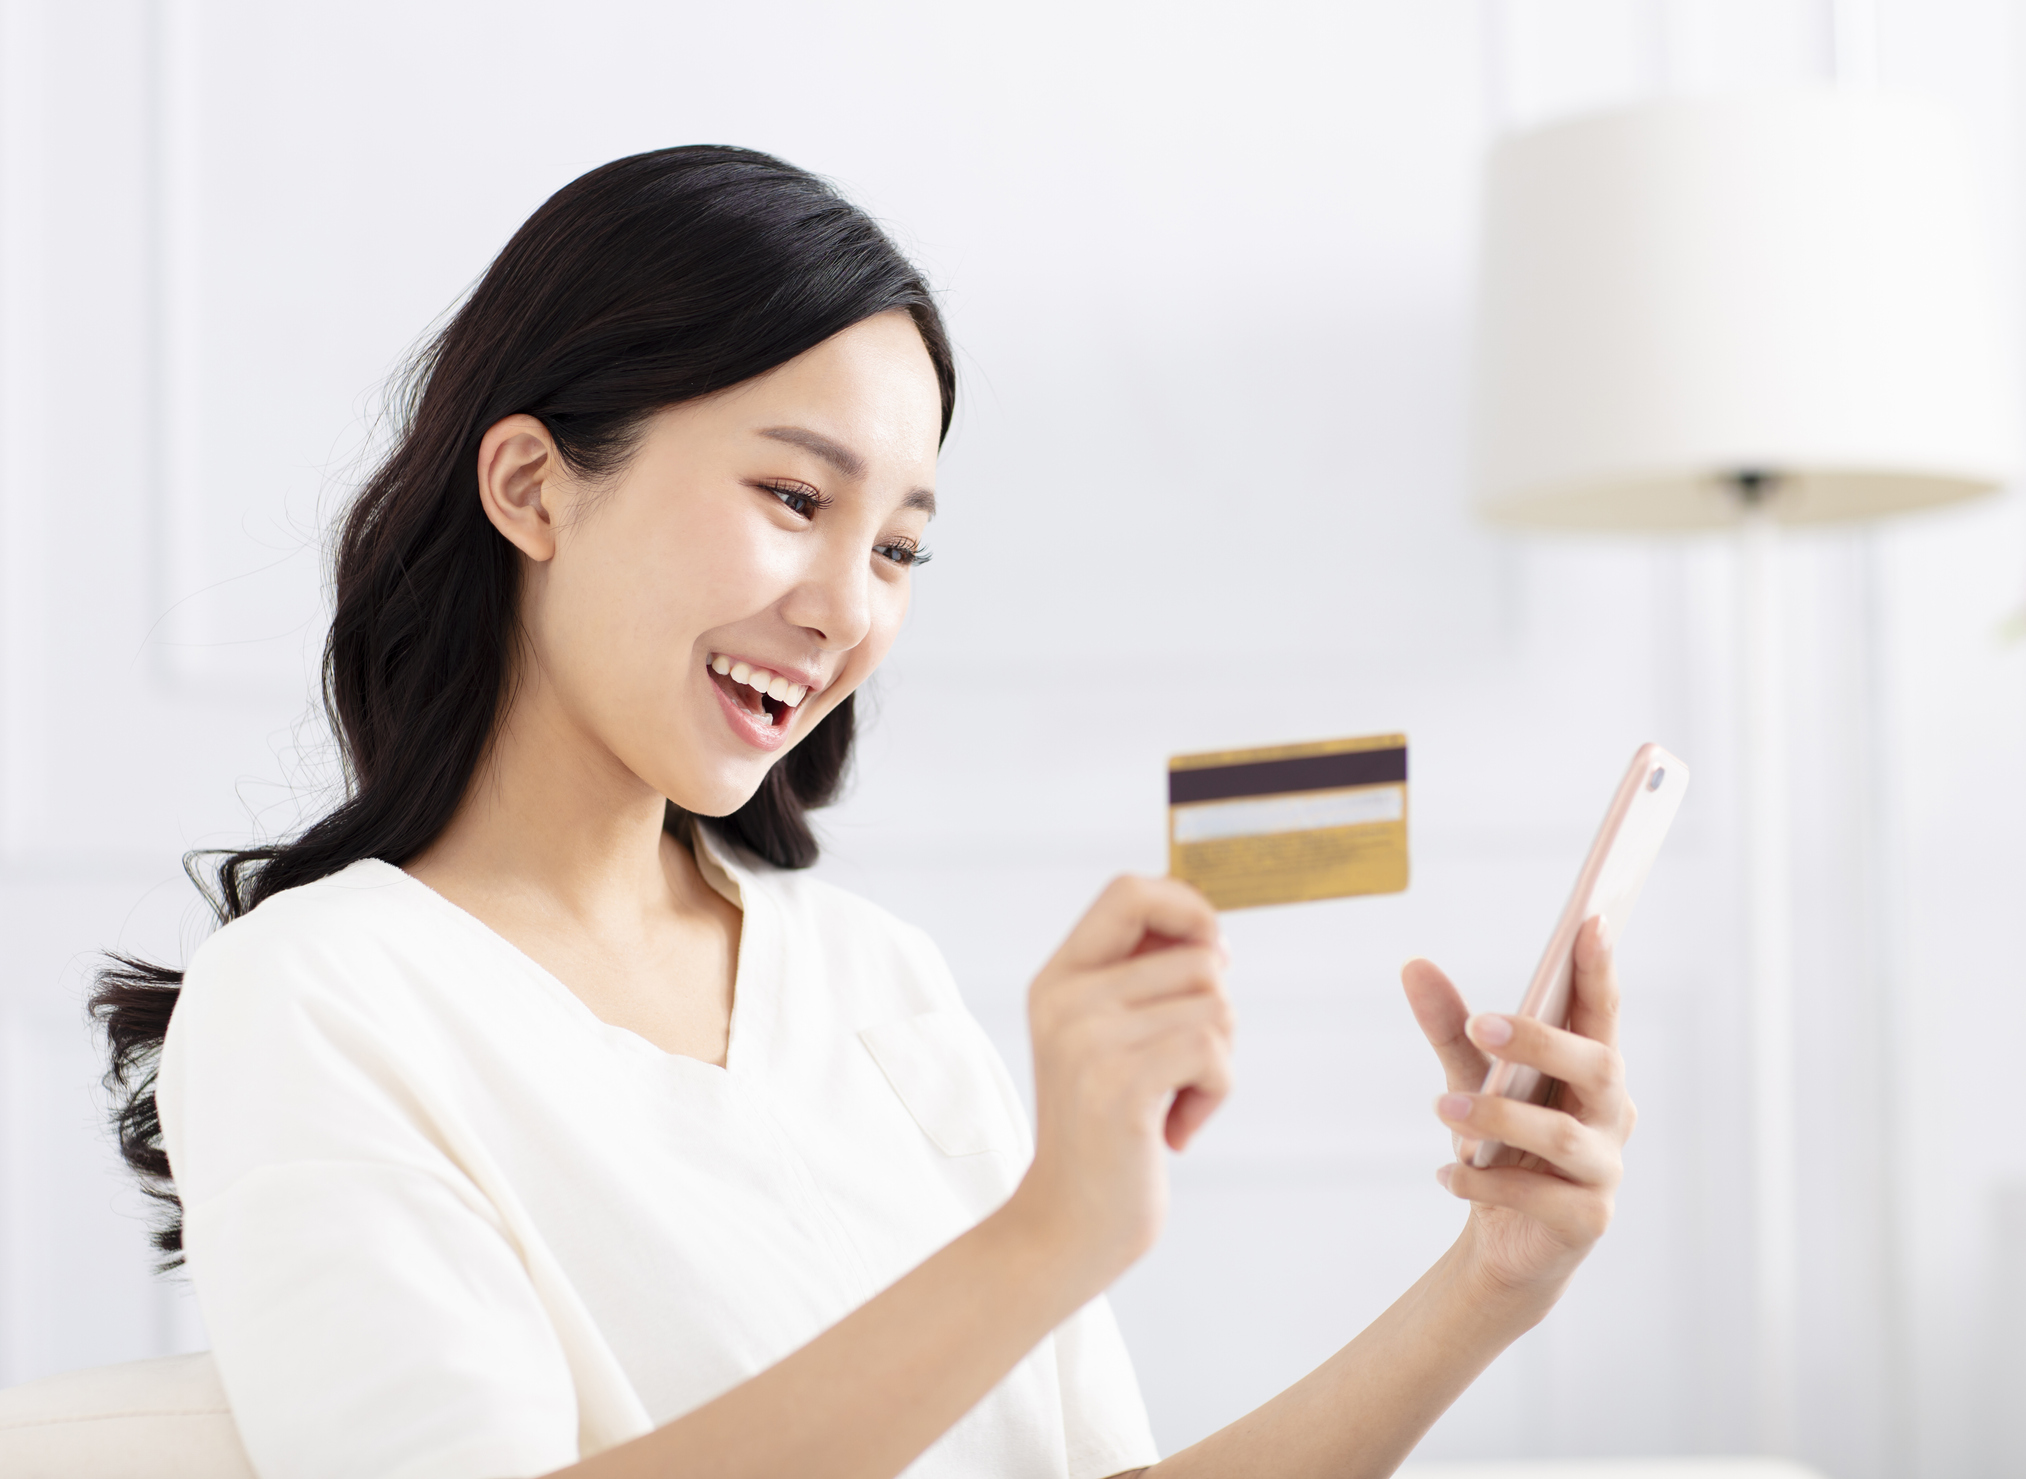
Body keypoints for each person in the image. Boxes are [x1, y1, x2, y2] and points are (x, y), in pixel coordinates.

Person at [92, 146, 1636, 1479]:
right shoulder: (315, 998)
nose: (846, 610)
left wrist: (1488, 1285)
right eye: (793, 499)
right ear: (531, 488)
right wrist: (1047, 1237)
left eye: (898, 549)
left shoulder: (867, 976)